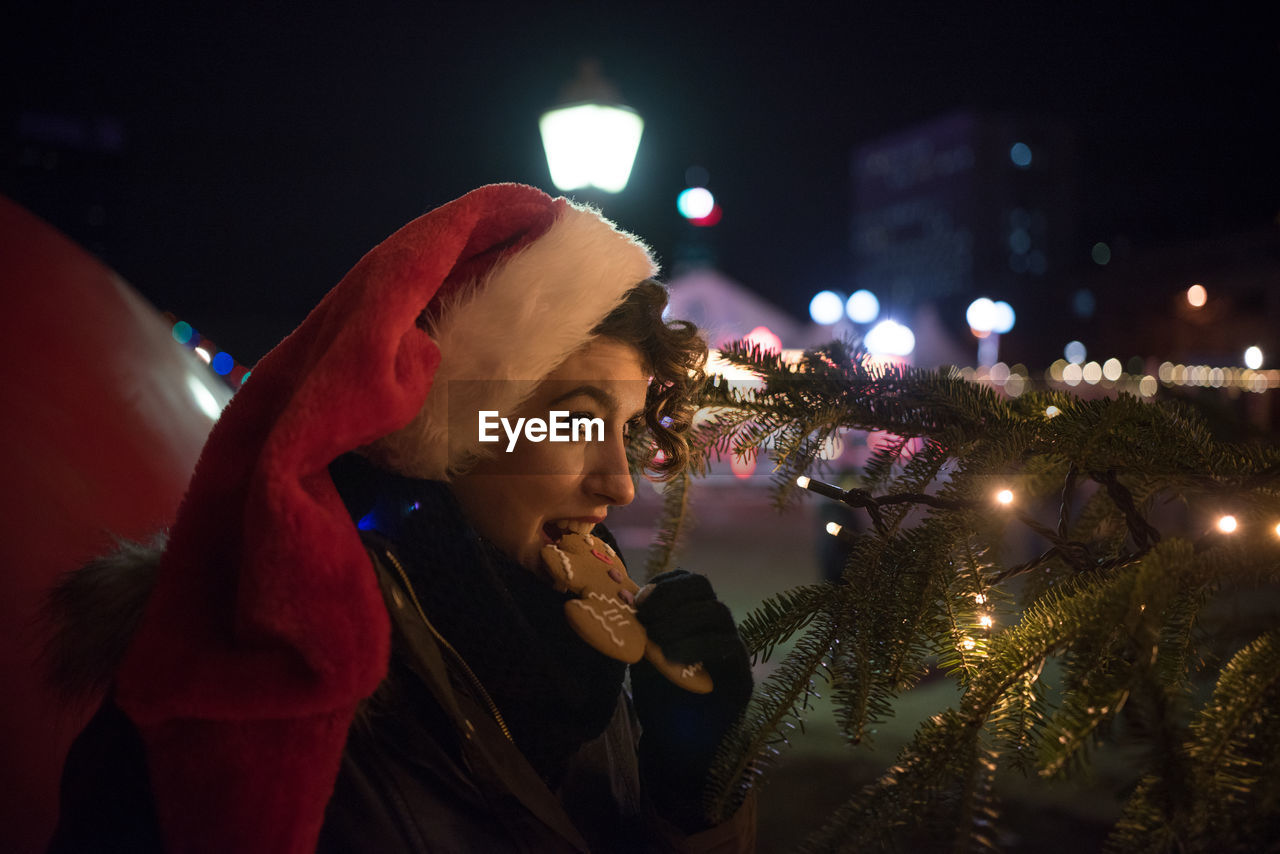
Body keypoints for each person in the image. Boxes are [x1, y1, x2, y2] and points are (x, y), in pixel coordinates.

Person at [45, 183, 756, 852]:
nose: (620, 484)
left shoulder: (578, 648)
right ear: (450, 426)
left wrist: (689, 794)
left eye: (625, 428)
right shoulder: (233, 687)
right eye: (573, 421)